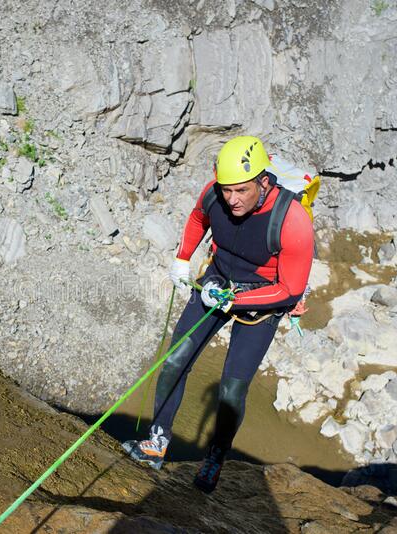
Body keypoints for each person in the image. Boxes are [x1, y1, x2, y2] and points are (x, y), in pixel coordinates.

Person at [123, 135, 314, 493]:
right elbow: (198, 218)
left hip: (262, 299)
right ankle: (156, 442)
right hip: (217, 279)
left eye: (241, 190)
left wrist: (234, 303)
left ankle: (214, 459)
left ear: (264, 181)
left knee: (231, 388)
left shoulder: (293, 221)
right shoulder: (214, 194)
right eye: (227, 190)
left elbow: (289, 289)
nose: (232, 199)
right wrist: (182, 259)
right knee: (174, 360)